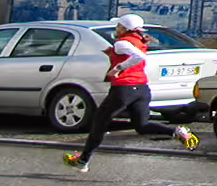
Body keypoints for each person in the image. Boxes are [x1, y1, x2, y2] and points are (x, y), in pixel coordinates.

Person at [62, 14, 199, 172]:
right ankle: (177, 131)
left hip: (124, 89)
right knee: (142, 125)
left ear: (124, 28)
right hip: (141, 89)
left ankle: (83, 161)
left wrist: (117, 68)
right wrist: (112, 55)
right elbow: (134, 55)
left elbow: (138, 57)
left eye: (118, 26)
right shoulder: (139, 41)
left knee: (99, 123)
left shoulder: (122, 43)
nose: (116, 29)